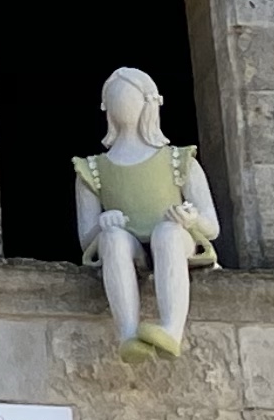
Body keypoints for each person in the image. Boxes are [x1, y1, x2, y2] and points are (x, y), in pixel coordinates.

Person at [73, 66, 219, 359]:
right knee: (113, 239)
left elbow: (212, 227)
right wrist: (104, 224)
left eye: (130, 97)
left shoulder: (178, 159)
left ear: (149, 102)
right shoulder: (92, 169)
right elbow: (87, 239)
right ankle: (128, 333)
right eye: (116, 98)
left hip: (176, 240)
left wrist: (190, 218)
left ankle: (172, 329)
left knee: (166, 233)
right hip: (130, 245)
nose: (123, 104)